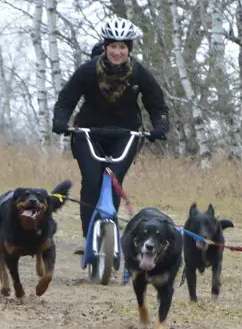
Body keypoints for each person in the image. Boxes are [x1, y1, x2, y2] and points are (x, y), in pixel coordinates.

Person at [52, 16, 170, 254]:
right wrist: (60, 122)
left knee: (114, 181)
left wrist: (160, 127)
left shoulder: (139, 74)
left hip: (125, 135)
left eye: (122, 47)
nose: (117, 52)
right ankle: (89, 240)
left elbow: (157, 106)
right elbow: (66, 100)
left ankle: (111, 239)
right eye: (113, 46)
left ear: (129, 49)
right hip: (88, 133)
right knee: (93, 181)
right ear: (105, 47)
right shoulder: (87, 71)